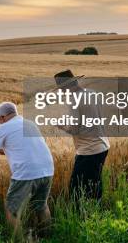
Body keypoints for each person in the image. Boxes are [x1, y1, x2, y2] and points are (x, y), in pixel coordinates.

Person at [0, 101, 54, 234]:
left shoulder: (3, 128)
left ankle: (17, 240)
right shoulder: (30, 124)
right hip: (47, 169)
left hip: (26, 173)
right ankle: (49, 237)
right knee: (41, 205)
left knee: (11, 210)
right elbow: (21, 146)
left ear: (2, 117)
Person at [54, 69, 109, 205]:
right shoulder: (92, 93)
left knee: (76, 187)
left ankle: (82, 216)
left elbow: (75, 128)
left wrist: (62, 125)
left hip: (89, 150)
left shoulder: (74, 100)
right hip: (103, 145)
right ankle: (97, 213)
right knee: (95, 183)